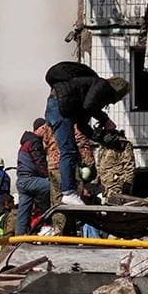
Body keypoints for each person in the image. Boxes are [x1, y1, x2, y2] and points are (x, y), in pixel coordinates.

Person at [43, 60, 130, 204]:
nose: (113, 103)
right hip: (60, 108)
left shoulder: (82, 94)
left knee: (71, 153)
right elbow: (90, 106)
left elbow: (83, 125)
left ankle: (70, 192)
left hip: (56, 108)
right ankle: (69, 193)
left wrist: (101, 138)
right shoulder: (101, 85)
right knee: (68, 152)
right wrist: (104, 119)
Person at [14, 125, 54, 235]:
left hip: (22, 181)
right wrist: (47, 175)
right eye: (45, 128)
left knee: (23, 211)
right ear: (39, 128)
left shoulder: (25, 143)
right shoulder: (35, 142)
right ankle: (47, 224)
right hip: (30, 179)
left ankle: (19, 237)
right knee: (51, 188)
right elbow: (39, 162)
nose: (46, 131)